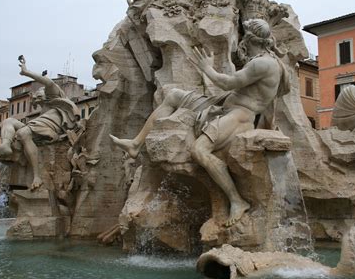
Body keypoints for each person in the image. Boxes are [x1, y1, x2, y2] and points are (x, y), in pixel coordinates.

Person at [110, 19, 289, 226]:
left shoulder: (263, 63)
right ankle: (135, 144)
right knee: (174, 96)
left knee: (199, 150)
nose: (241, 41)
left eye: (244, 35)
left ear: (249, 38)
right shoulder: (263, 59)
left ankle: (237, 200)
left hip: (240, 116)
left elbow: (227, 82)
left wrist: (207, 68)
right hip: (223, 105)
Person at [0, 56, 80, 190]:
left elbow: (48, 83)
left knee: (23, 132)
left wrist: (26, 72)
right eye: (36, 95)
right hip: (38, 128)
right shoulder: (42, 112)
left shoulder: (55, 97)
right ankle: (6, 145)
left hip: (52, 130)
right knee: (8, 120)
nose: (38, 94)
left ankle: (37, 176)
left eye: (40, 92)